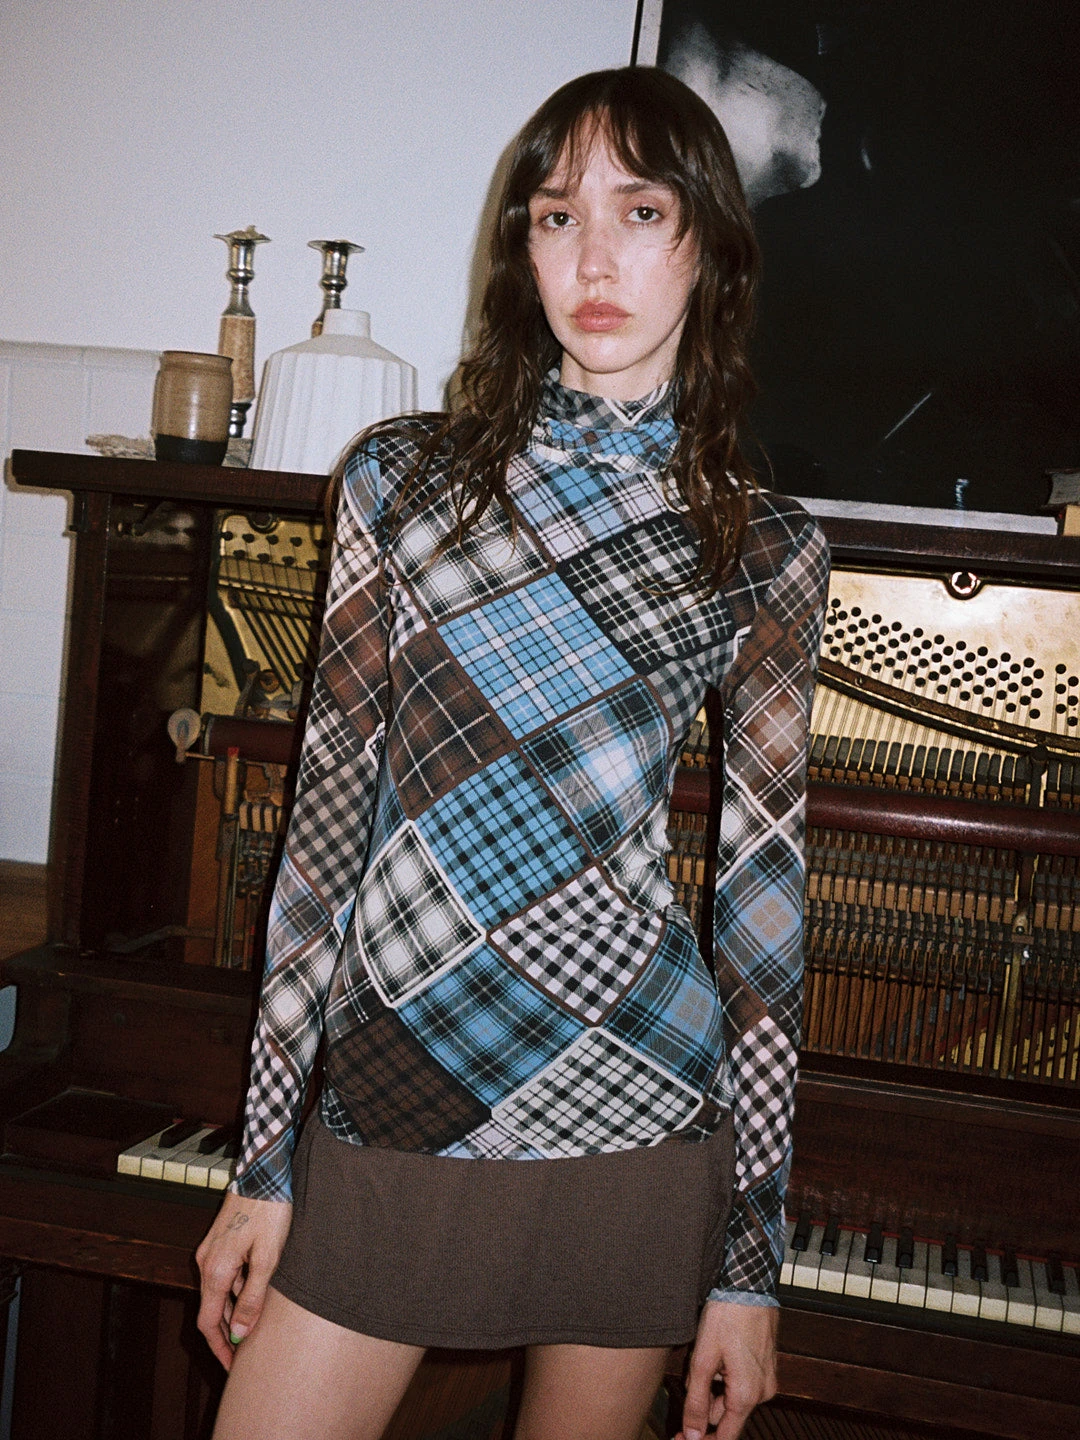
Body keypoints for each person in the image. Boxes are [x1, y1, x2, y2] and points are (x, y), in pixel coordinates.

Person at [196, 65, 829, 1440]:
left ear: (710, 249)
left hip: (640, 1105)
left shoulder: (766, 544)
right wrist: (263, 1162)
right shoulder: (400, 481)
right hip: (401, 1083)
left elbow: (763, 917)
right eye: (556, 216)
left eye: (640, 212)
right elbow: (323, 838)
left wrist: (748, 1267)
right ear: (520, 249)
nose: (593, 258)